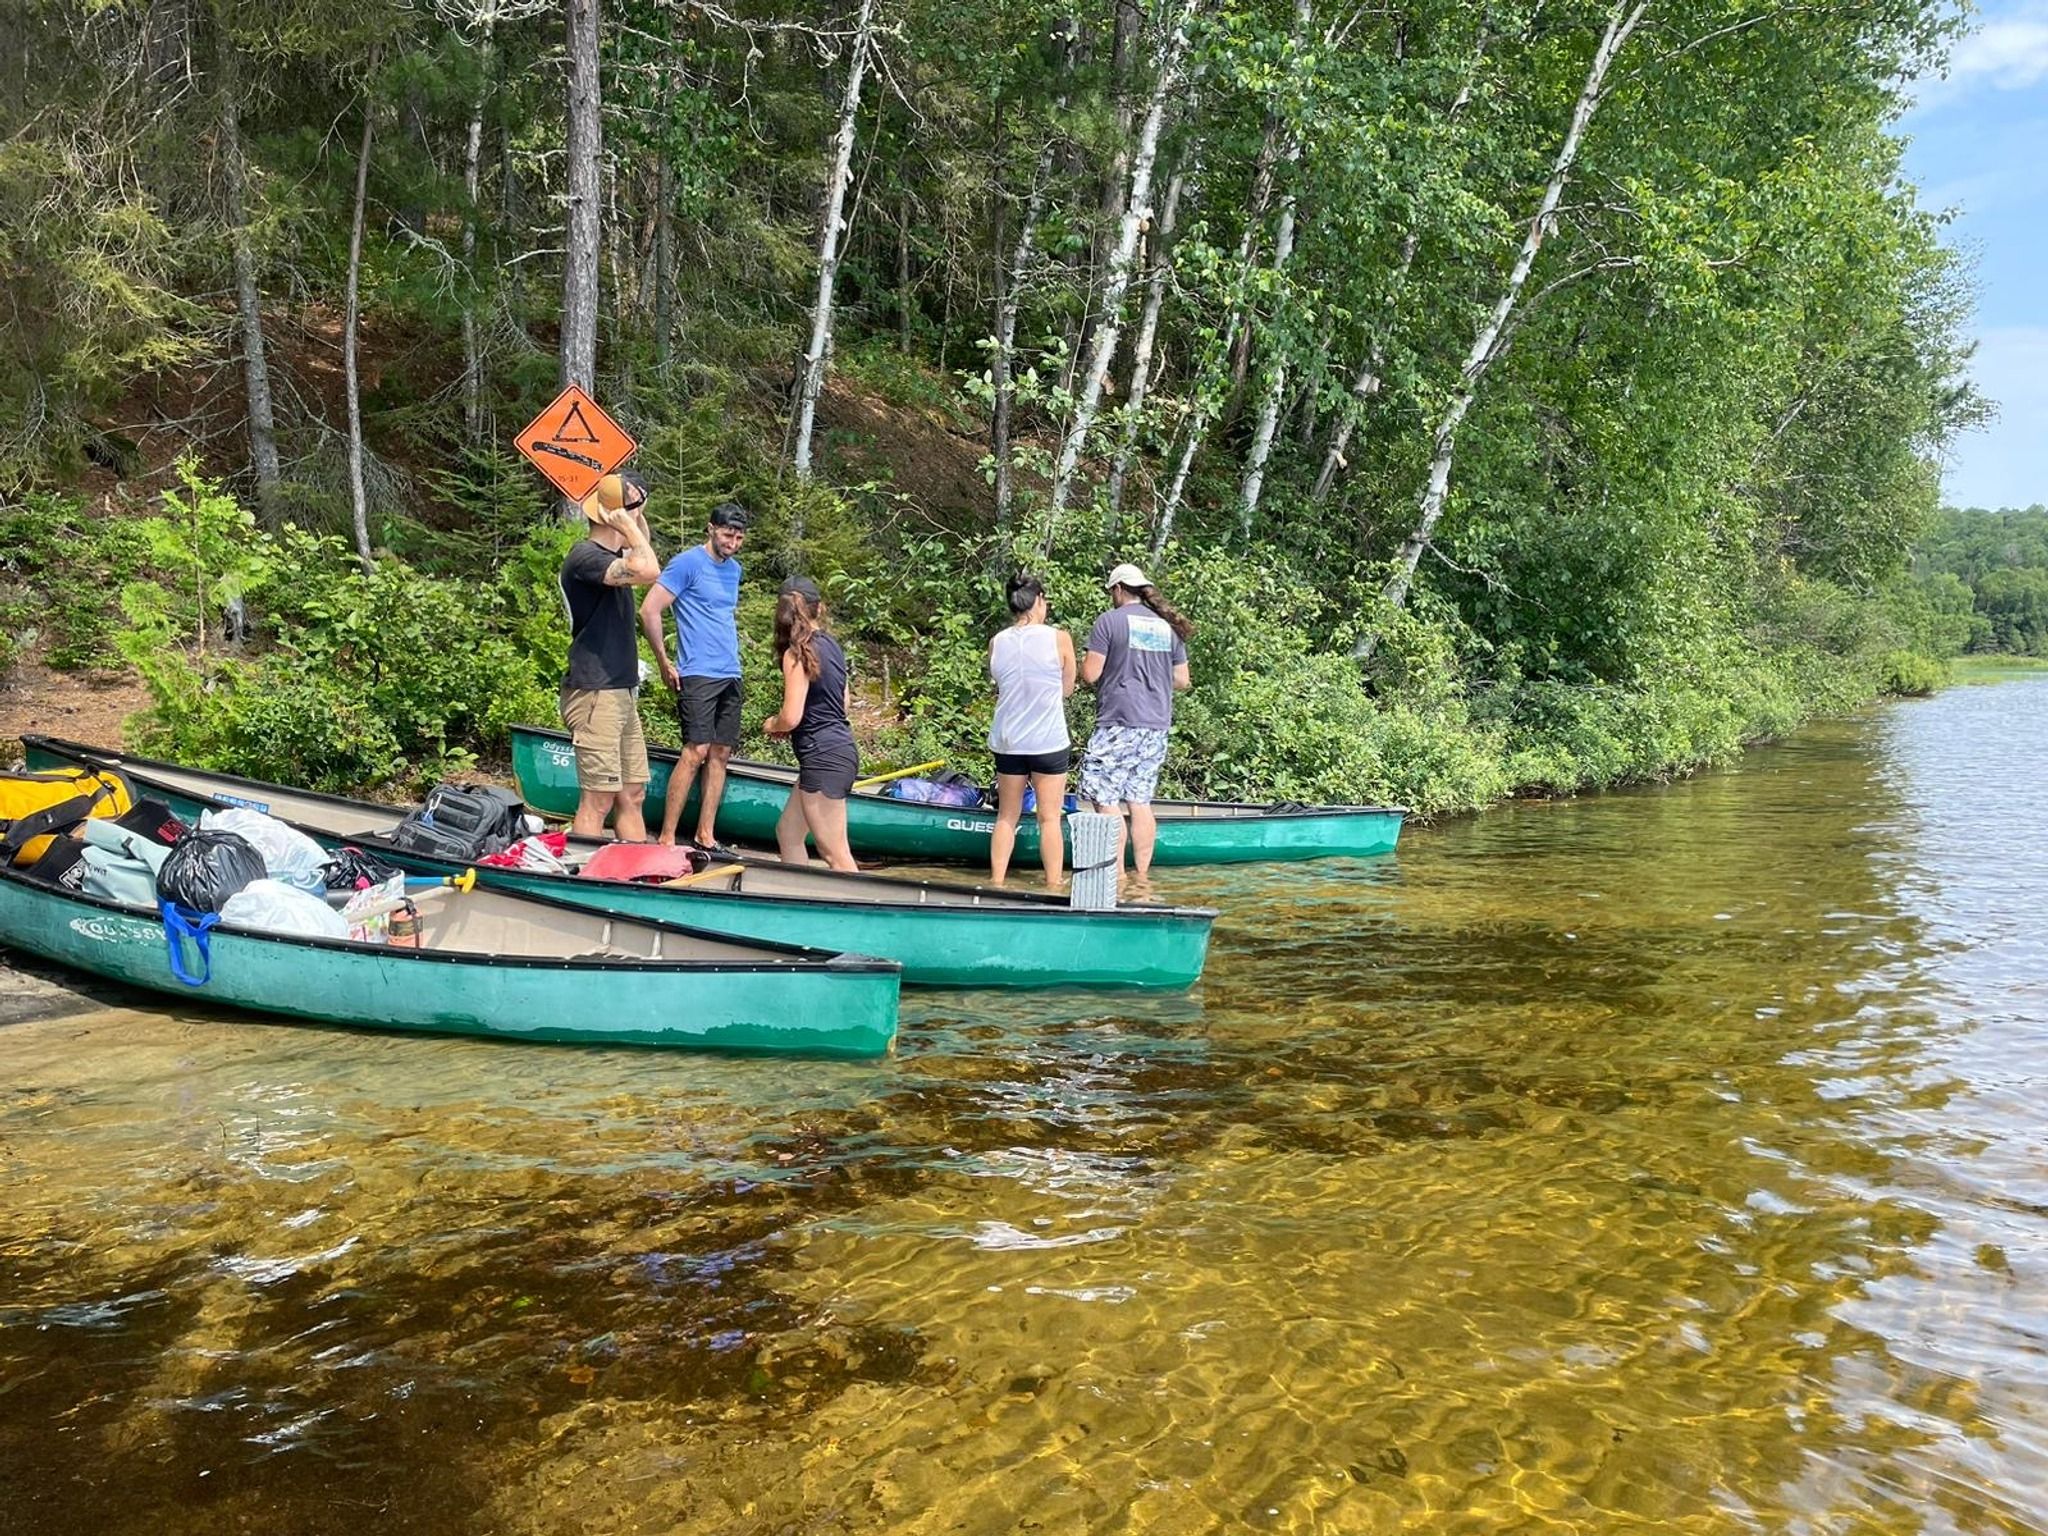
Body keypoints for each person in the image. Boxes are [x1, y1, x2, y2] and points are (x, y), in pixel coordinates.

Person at [640, 500, 748, 850]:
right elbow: (650, 609)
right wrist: (664, 661)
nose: (732, 542)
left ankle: (706, 834)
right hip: (698, 670)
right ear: (711, 529)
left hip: (730, 671)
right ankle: (667, 837)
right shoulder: (687, 563)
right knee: (695, 750)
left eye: (739, 537)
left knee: (720, 753)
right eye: (727, 534)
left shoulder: (734, 570)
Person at [559, 471, 661, 839]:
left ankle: (633, 875)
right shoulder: (585, 557)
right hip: (593, 692)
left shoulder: (614, 556)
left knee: (632, 793)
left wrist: (636, 515)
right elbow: (649, 569)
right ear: (613, 517)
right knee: (598, 799)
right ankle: (586, 877)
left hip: (619, 691)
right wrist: (626, 520)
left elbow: (642, 552)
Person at [1078, 561, 1193, 881]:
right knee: (1140, 800)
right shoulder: (1165, 625)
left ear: (1117, 589)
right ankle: (1141, 877)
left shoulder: (1109, 622)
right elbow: (1182, 679)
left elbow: (1090, 674)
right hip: (1156, 724)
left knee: (1105, 797)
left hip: (1119, 721)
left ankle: (1116, 876)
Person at [762, 576, 860, 872]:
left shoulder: (797, 653)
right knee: (789, 833)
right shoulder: (832, 646)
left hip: (823, 757)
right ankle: (797, 901)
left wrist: (772, 724)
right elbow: (843, 703)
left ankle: (863, 915)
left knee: (836, 855)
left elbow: (791, 716)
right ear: (821, 609)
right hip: (837, 749)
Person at [987, 572, 1076, 887]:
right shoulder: (1059, 638)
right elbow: (1067, 688)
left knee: (1006, 817)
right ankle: (1054, 883)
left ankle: (997, 881)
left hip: (1009, 740)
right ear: (1039, 600)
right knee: (1049, 818)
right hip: (1048, 740)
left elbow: (1000, 683)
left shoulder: (997, 641)